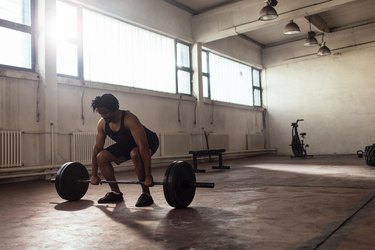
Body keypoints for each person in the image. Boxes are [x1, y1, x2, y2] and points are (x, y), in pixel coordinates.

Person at [90, 93, 159, 207]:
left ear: (114, 109)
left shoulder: (129, 119)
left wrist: (148, 176)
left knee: (135, 154)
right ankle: (116, 193)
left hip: (149, 142)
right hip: (126, 144)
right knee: (101, 157)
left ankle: (146, 194)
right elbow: (97, 148)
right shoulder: (102, 123)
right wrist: (93, 174)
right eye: (100, 113)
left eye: (105, 112)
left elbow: (143, 147)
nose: (103, 116)